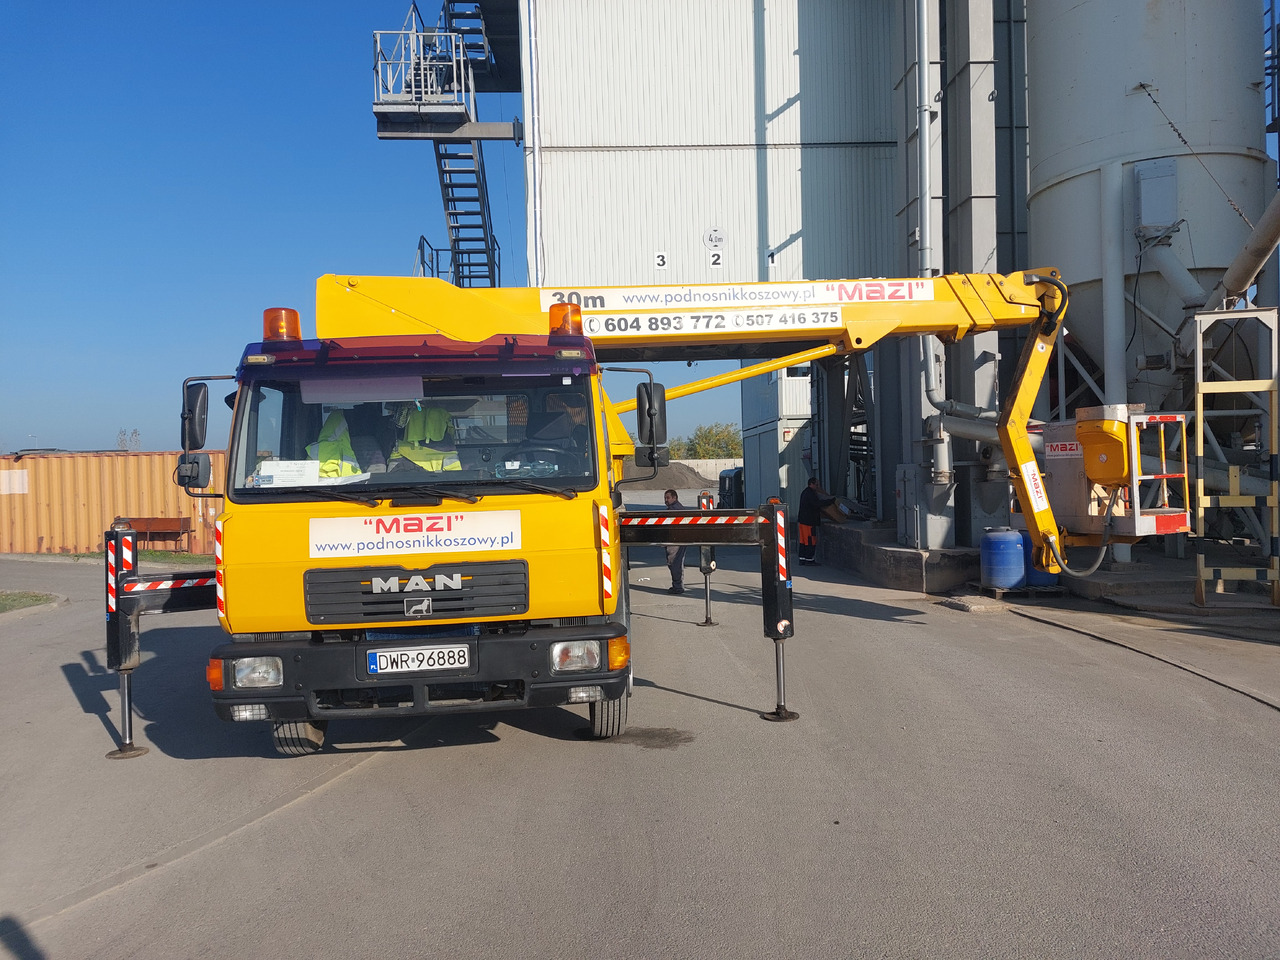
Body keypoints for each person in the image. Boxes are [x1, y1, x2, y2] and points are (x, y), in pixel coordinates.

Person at [797, 476, 834, 565]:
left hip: (802, 521)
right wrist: (830, 501)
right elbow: (816, 504)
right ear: (812, 484)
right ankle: (810, 560)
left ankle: (802, 559)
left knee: (803, 541)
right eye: (816, 484)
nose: (818, 487)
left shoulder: (805, 492)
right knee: (810, 541)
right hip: (809, 521)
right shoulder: (811, 494)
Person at [663, 488, 688, 594]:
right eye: (665, 498)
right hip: (678, 539)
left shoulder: (674, 509)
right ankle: (677, 585)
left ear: (675, 498)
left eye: (668, 498)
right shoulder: (676, 507)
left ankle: (678, 587)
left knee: (674, 563)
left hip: (675, 541)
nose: (666, 500)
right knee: (676, 563)